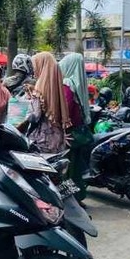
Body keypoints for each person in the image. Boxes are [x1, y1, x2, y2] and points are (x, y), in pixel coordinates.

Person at [18, 52, 71, 153]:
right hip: (58, 139)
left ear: (41, 65)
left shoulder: (39, 87)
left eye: (35, 65)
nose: (34, 69)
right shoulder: (57, 86)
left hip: (43, 140)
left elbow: (35, 116)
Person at [59, 53, 93, 204]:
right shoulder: (79, 84)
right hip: (79, 131)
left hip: (69, 133)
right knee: (76, 168)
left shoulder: (67, 84)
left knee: (69, 169)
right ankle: (78, 197)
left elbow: (64, 110)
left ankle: (71, 200)